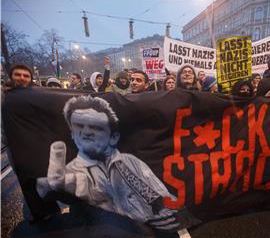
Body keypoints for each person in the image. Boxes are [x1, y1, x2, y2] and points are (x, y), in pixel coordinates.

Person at [36, 96, 181, 230]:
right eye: (79, 126)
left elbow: (162, 194)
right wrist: (50, 191)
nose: (86, 132)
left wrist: (170, 214)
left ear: (113, 137)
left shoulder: (130, 161)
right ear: (72, 134)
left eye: (96, 127)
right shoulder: (69, 175)